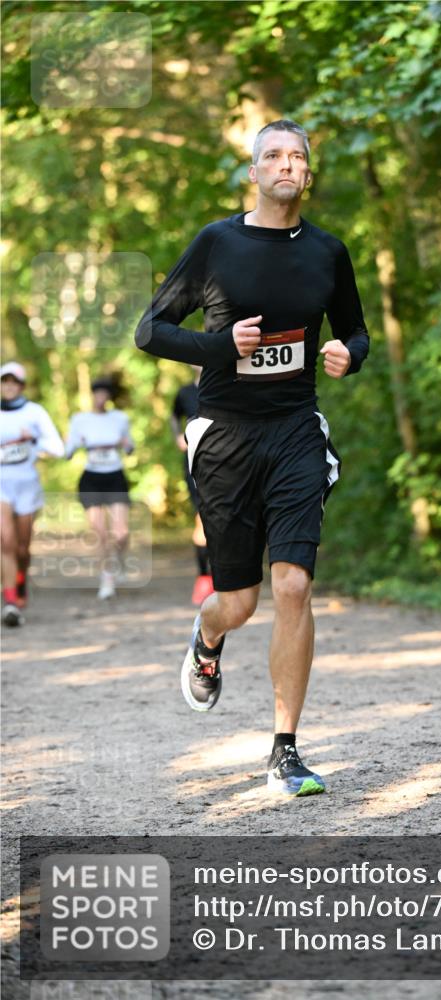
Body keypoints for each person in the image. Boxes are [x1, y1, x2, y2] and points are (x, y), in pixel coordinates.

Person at [135, 119, 369, 796]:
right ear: (254, 171)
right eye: (273, 156)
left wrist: (348, 354)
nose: (286, 166)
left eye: (297, 157)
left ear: (308, 172)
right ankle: (206, 641)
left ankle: (285, 750)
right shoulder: (217, 243)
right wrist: (219, 347)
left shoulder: (328, 251)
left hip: (295, 429)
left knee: (293, 584)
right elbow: (151, 330)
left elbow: (355, 329)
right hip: (226, 437)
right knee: (236, 603)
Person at [1, 361, 64, 626]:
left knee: (22, 548)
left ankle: (20, 579)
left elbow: (58, 448)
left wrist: (34, 440)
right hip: (2, 483)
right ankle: (11, 602)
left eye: (14, 382)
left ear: (22, 385)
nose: (9, 386)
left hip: (27, 484)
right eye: (5, 381)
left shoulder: (34, 412)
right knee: (5, 542)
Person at [64, 375, 134, 600]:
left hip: (115, 477)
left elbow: (130, 447)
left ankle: (118, 560)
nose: (101, 397)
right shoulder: (79, 419)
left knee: (121, 532)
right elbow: (67, 452)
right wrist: (77, 443)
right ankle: (107, 580)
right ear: (92, 395)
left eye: (105, 393)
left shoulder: (120, 418)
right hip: (91, 479)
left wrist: (126, 444)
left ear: (109, 397)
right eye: (98, 393)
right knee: (101, 532)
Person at [170, 365, 215, 605]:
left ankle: (220, 577)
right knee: (201, 517)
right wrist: (178, 436)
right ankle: (203, 579)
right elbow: (173, 416)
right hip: (193, 462)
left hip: (222, 461)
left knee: (220, 520)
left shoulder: (220, 386)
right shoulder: (184, 392)